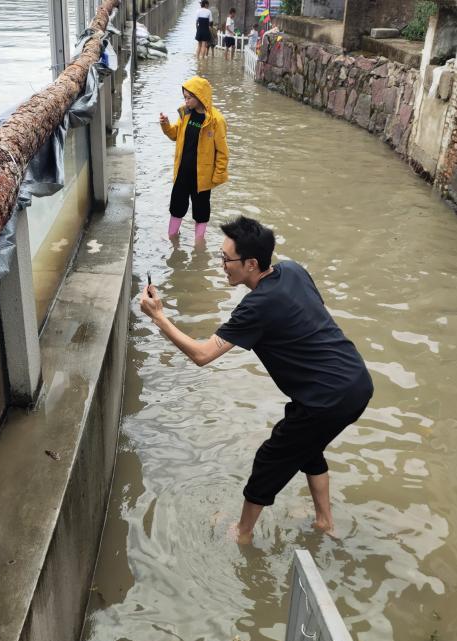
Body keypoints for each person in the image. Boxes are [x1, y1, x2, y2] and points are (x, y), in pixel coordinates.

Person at [139, 217, 374, 544]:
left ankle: (242, 534)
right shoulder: (293, 271)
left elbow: (202, 355)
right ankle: (325, 522)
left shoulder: (257, 306)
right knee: (307, 445)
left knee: (271, 457)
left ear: (251, 264)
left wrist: (159, 317)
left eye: (226, 259)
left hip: (327, 398)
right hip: (356, 380)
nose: (222, 265)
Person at [158, 76, 229, 243]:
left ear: (200, 96)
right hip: (182, 172)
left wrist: (217, 176)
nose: (186, 101)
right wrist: (165, 125)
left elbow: (222, 152)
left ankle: (199, 245)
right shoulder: (185, 114)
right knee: (176, 208)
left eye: (189, 98)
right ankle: (172, 239)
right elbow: (175, 134)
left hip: (202, 177)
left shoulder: (216, 120)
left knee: (201, 212)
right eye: (185, 97)